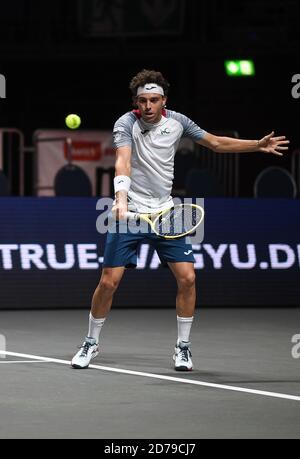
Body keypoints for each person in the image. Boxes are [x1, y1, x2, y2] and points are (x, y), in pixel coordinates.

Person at [71, 69, 289, 371]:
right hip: (130, 211)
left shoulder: (179, 122)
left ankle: (183, 348)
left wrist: (256, 145)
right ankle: (91, 342)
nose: (148, 106)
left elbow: (215, 143)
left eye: (154, 100)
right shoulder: (126, 123)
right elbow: (122, 160)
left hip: (166, 213)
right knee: (109, 282)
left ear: (164, 101)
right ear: (136, 101)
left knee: (188, 278)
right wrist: (120, 199)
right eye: (143, 100)